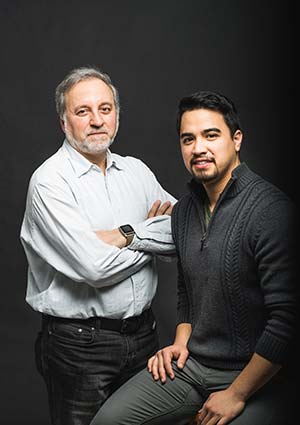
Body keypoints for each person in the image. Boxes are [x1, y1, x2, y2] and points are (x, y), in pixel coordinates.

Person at [91, 90, 297, 425]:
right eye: (188, 139)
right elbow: (187, 289)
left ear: (237, 139)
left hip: (259, 377)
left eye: (211, 135)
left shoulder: (271, 211)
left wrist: (236, 394)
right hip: (194, 366)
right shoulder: (184, 211)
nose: (198, 148)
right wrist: (181, 342)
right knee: (107, 422)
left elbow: (287, 322)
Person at [20, 66, 177, 425]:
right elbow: (95, 269)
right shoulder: (49, 183)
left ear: (117, 116)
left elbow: (184, 231)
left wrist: (127, 235)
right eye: (82, 111)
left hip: (144, 338)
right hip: (79, 348)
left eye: (105, 109)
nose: (96, 120)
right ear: (64, 122)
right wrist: (153, 234)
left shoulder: (137, 172)